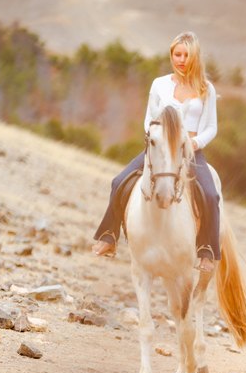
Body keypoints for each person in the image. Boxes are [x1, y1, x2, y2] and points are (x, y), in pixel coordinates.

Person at [92, 31, 220, 272]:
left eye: (186, 55)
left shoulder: (206, 88)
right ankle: (109, 235)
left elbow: (212, 126)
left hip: (190, 151)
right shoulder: (159, 84)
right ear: (171, 56)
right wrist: (155, 139)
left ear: (194, 57)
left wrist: (195, 143)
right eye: (177, 54)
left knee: (211, 196)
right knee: (119, 181)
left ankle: (207, 250)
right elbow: (149, 118)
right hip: (160, 149)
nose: (181, 59)